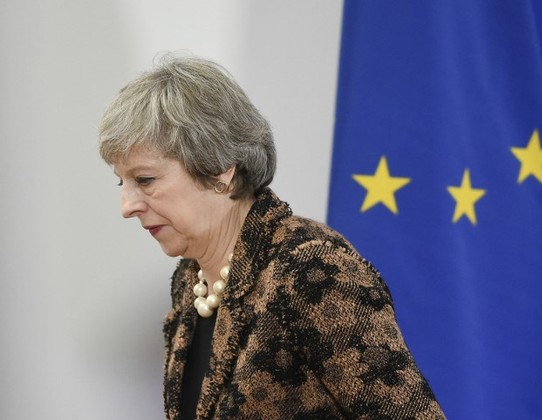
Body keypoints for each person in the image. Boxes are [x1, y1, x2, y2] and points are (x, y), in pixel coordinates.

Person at [99, 55, 446, 419]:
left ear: (219, 169)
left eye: (145, 180)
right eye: (122, 182)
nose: (127, 206)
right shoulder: (191, 281)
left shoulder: (311, 269)